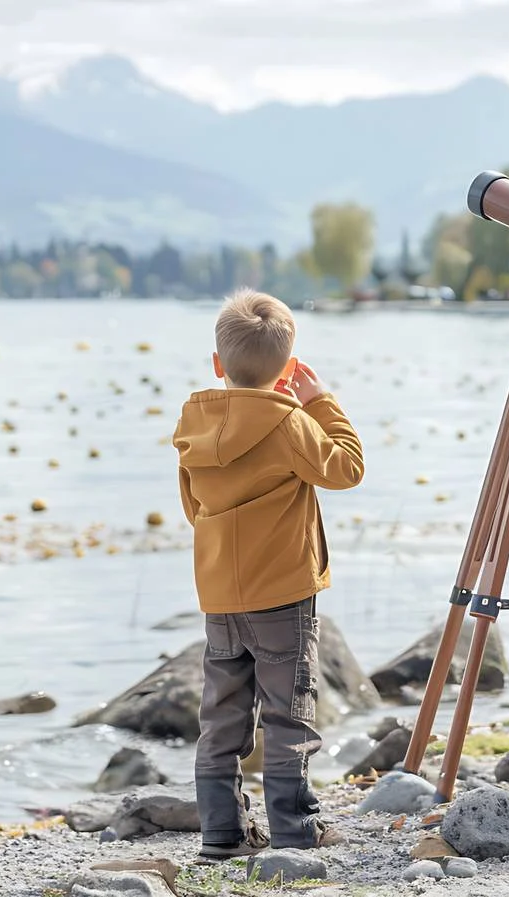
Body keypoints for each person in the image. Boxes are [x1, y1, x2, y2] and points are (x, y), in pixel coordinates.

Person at [174, 289, 365, 857]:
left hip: (219, 595)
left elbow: (193, 509)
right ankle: (293, 830)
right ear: (287, 370)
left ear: (217, 365)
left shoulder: (193, 424)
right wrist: (320, 401)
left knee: (222, 715)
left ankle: (222, 833)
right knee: (288, 714)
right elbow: (347, 468)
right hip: (282, 592)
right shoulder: (288, 422)